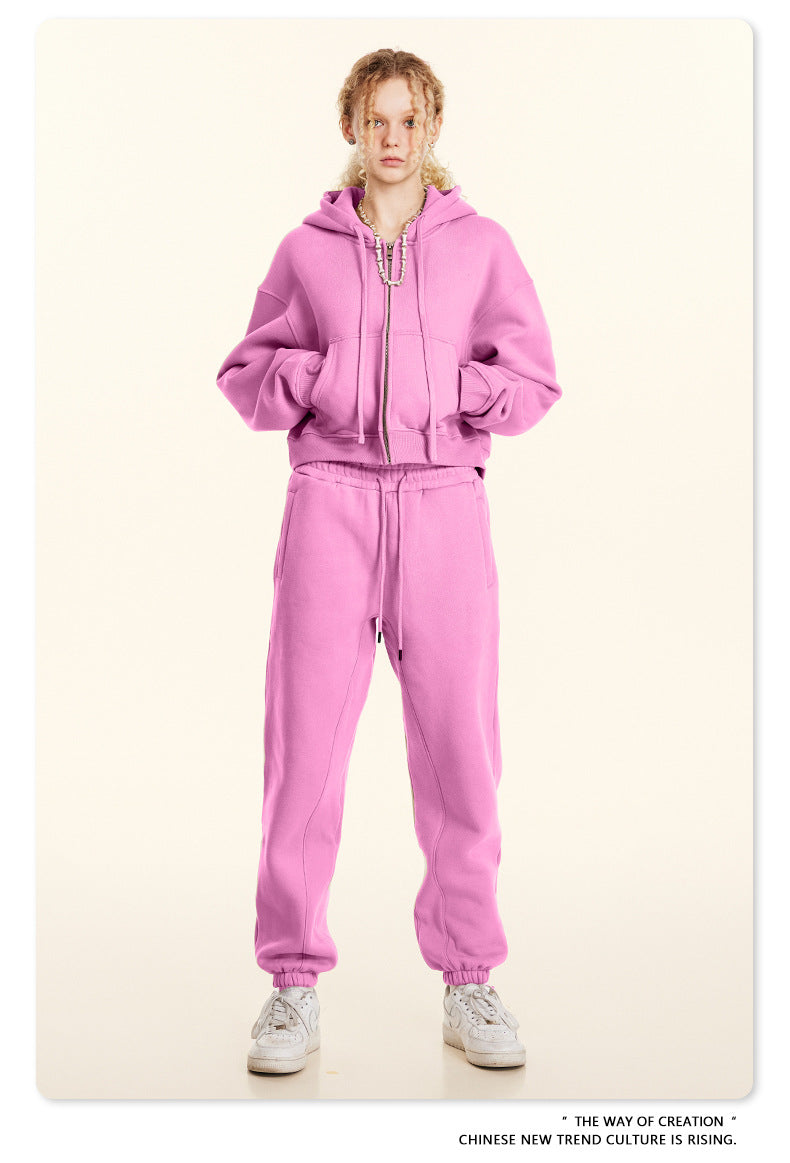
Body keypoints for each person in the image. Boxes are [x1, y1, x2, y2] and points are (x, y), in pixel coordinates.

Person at [216, 48, 562, 1075]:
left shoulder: (482, 247)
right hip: (330, 503)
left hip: (446, 504)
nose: (394, 136)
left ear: (433, 127)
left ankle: (469, 979)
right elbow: (245, 374)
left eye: (409, 119)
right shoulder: (306, 249)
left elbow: (534, 381)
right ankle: (292, 984)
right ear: (353, 129)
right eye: (377, 119)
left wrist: (456, 387)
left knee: (460, 752)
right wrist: (323, 376)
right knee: (304, 755)